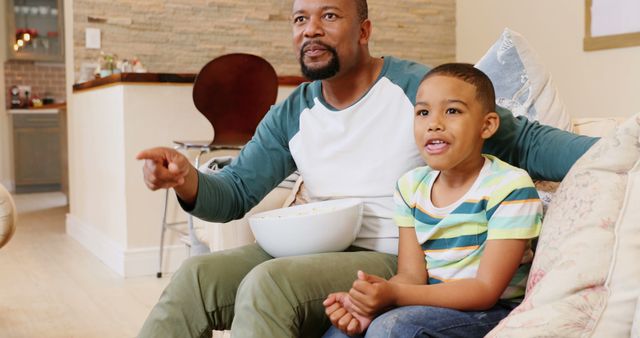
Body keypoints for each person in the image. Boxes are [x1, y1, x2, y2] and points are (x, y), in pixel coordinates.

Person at [136, 0, 597, 337]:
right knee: (195, 278)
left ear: (363, 29)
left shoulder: (418, 90)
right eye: (300, 19)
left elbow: (527, 140)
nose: (311, 30)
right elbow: (234, 192)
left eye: (329, 16)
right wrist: (186, 179)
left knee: (267, 284)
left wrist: (615, 147)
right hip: (313, 247)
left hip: (392, 256)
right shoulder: (291, 112)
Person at [322, 63, 542, 338]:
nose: (434, 123)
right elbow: (411, 276)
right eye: (423, 112)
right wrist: (372, 299)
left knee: (392, 328)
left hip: (493, 312)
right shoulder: (410, 187)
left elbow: (486, 290)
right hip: (428, 302)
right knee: (342, 333)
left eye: (452, 111)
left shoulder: (508, 186)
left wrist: (395, 296)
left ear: (486, 125)